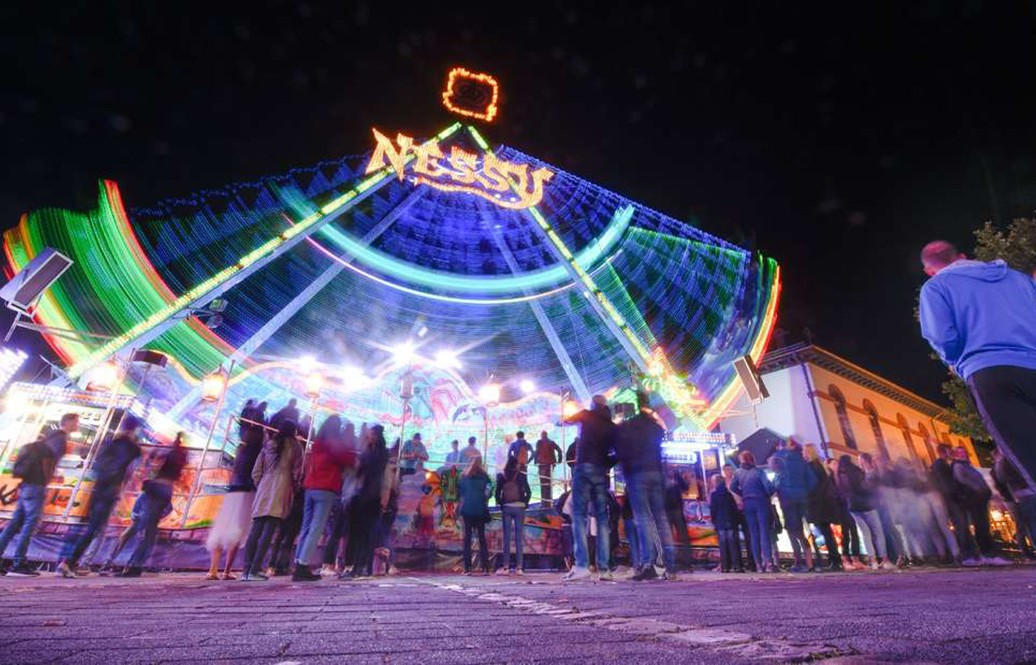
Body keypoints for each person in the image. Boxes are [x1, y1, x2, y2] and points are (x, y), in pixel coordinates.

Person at [919, 240, 1036, 503]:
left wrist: (953, 361)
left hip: (991, 373)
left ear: (929, 270)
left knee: (1029, 458)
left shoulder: (936, 287)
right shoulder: (1018, 279)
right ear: (962, 256)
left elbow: (942, 337)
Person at [57, 415, 142, 578]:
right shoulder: (132, 448)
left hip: (98, 488)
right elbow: (129, 471)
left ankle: (68, 561)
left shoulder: (109, 442)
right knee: (94, 528)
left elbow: (97, 465)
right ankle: (69, 562)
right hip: (110, 490)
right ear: (135, 429)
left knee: (87, 525)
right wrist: (120, 487)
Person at [0, 413, 79, 576]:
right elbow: (49, 462)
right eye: (76, 422)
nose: (77, 425)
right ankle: (19, 563)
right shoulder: (60, 440)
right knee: (30, 523)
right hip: (36, 485)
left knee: (15, 523)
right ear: (69, 422)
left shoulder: (49, 436)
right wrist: (46, 481)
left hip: (27, 484)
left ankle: (10, 558)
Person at [613, 392, 675, 581]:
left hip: (638, 473)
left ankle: (651, 563)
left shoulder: (629, 427)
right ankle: (669, 564)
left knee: (644, 519)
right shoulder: (654, 426)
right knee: (661, 518)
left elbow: (621, 450)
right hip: (656, 472)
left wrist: (626, 470)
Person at [293, 415, 357, 581]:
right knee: (317, 527)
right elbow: (348, 459)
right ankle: (303, 565)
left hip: (310, 486)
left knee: (306, 526)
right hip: (326, 487)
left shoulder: (317, 443)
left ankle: (298, 561)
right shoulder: (333, 443)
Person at [117, 431, 189, 577]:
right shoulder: (182, 455)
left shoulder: (167, 453)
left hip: (157, 488)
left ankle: (133, 565)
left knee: (145, 529)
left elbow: (152, 464)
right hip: (167, 489)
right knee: (149, 528)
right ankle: (136, 564)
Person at [205, 408, 265, 580]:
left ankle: (213, 569)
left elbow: (234, 470)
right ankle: (226, 571)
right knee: (239, 530)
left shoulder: (241, 448)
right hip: (248, 492)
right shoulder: (258, 451)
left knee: (222, 527)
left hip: (233, 490)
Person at [562, 396, 616, 581]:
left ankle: (582, 565)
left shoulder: (586, 415)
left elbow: (566, 420)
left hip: (584, 467)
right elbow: (618, 452)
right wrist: (607, 463)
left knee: (578, 515)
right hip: (601, 472)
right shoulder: (611, 426)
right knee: (602, 519)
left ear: (593, 405)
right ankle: (604, 568)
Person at [241, 421, 303, 581]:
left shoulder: (268, 445)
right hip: (282, 488)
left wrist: (261, 484)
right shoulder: (296, 447)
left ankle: (246, 570)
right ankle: (255, 569)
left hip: (264, 487)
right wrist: (294, 489)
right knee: (269, 531)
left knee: (256, 528)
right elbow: (298, 472)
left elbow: (256, 472)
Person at [950, 446, 1010, 565]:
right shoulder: (958, 465)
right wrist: (976, 487)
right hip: (973, 499)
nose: (963, 454)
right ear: (955, 455)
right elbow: (961, 479)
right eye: (960, 452)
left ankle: (989, 553)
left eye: (964, 452)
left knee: (983, 525)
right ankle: (987, 554)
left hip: (979, 499)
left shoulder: (967, 465)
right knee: (981, 526)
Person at [344, 425, 389, 578]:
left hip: (367, 495)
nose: (368, 437)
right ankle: (359, 566)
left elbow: (363, 471)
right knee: (363, 533)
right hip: (367, 495)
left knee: (362, 533)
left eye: (370, 434)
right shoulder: (376, 452)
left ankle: (360, 566)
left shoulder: (375, 454)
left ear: (375, 435)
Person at [836, 454, 893, 571]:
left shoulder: (839, 474)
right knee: (877, 532)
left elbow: (842, 492)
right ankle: (884, 559)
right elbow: (864, 488)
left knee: (866, 534)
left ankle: (873, 561)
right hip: (866, 505)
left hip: (853, 507)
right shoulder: (856, 471)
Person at [770, 439, 816, 572]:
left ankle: (801, 562)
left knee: (794, 531)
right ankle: (806, 562)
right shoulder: (800, 462)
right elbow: (812, 480)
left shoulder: (782, 466)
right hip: (798, 501)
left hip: (789, 502)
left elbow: (776, 486)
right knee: (798, 530)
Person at [730, 451, 776, 573]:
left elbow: (732, 487)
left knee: (753, 534)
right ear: (752, 460)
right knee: (764, 533)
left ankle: (758, 564)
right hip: (761, 502)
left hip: (748, 504)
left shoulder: (738, 473)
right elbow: (768, 487)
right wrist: (769, 493)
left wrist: (744, 494)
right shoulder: (759, 472)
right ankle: (768, 562)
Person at [803, 443, 843, 571]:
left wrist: (808, 497)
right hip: (825, 504)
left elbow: (812, 486)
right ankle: (835, 560)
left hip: (818, 505)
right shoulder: (819, 465)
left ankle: (834, 560)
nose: (802, 454)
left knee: (825, 532)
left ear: (808, 452)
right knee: (827, 532)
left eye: (804, 451)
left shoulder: (811, 467)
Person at [992, 446, 1036, 557]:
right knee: (1024, 524)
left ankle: (1027, 551)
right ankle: (1026, 551)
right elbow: (1002, 483)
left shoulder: (1001, 465)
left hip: (1014, 497)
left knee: (1024, 524)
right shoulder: (1001, 465)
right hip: (1014, 498)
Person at [495, 456, 531, 575]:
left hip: (507, 507)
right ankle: (519, 567)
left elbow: (497, 494)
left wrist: (502, 504)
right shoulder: (521, 476)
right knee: (519, 538)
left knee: (506, 538)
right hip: (519, 507)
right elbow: (528, 492)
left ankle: (506, 567)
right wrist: (525, 503)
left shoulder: (502, 477)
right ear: (516, 465)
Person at [828, 458, 863, 570]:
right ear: (828, 466)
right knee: (845, 533)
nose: (836, 465)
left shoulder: (843, 476)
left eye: (836, 463)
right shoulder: (830, 479)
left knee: (853, 531)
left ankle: (856, 558)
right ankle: (845, 557)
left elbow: (848, 489)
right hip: (840, 508)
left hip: (848, 505)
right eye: (833, 463)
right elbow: (832, 493)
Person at [459, 457, 492, 575]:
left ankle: (467, 568)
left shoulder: (464, 476)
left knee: (467, 539)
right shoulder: (485, 477)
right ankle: (485, 568)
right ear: (481, 464)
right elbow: (489, 493)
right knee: (482, 539)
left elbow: (460, 494)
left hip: (467, 510)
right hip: (480, 510)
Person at [723, 462, 753, 572]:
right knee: (733, 538)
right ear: (724, 471)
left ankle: (751, 562)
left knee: (748, 536)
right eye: (727, 470)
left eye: (731, 469)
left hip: (742, 509)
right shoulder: (724, 484)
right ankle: (737, 563)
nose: (730, 472)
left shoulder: (738, 481)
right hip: (732, 512)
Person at [710, 474, 740, 573]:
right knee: (733, 544)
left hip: (720, 521)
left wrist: (713, 521)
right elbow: (734, 508)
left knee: (723, 544)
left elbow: (713, 510)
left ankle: (725, 566)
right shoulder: (728, 494)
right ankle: (736, 566)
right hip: (730, 521)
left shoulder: (714, 495)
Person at [534, 431, 563, 504]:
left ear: (542, 435)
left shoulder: (539, 442)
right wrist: (559, 460)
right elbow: (559, 451)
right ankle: (549, 501)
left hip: (542, 465)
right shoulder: (551, 442)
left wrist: (535, 461)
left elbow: (536, 452)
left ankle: (544, 502)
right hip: (550, 464)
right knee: (549, 482)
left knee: (543, 483)